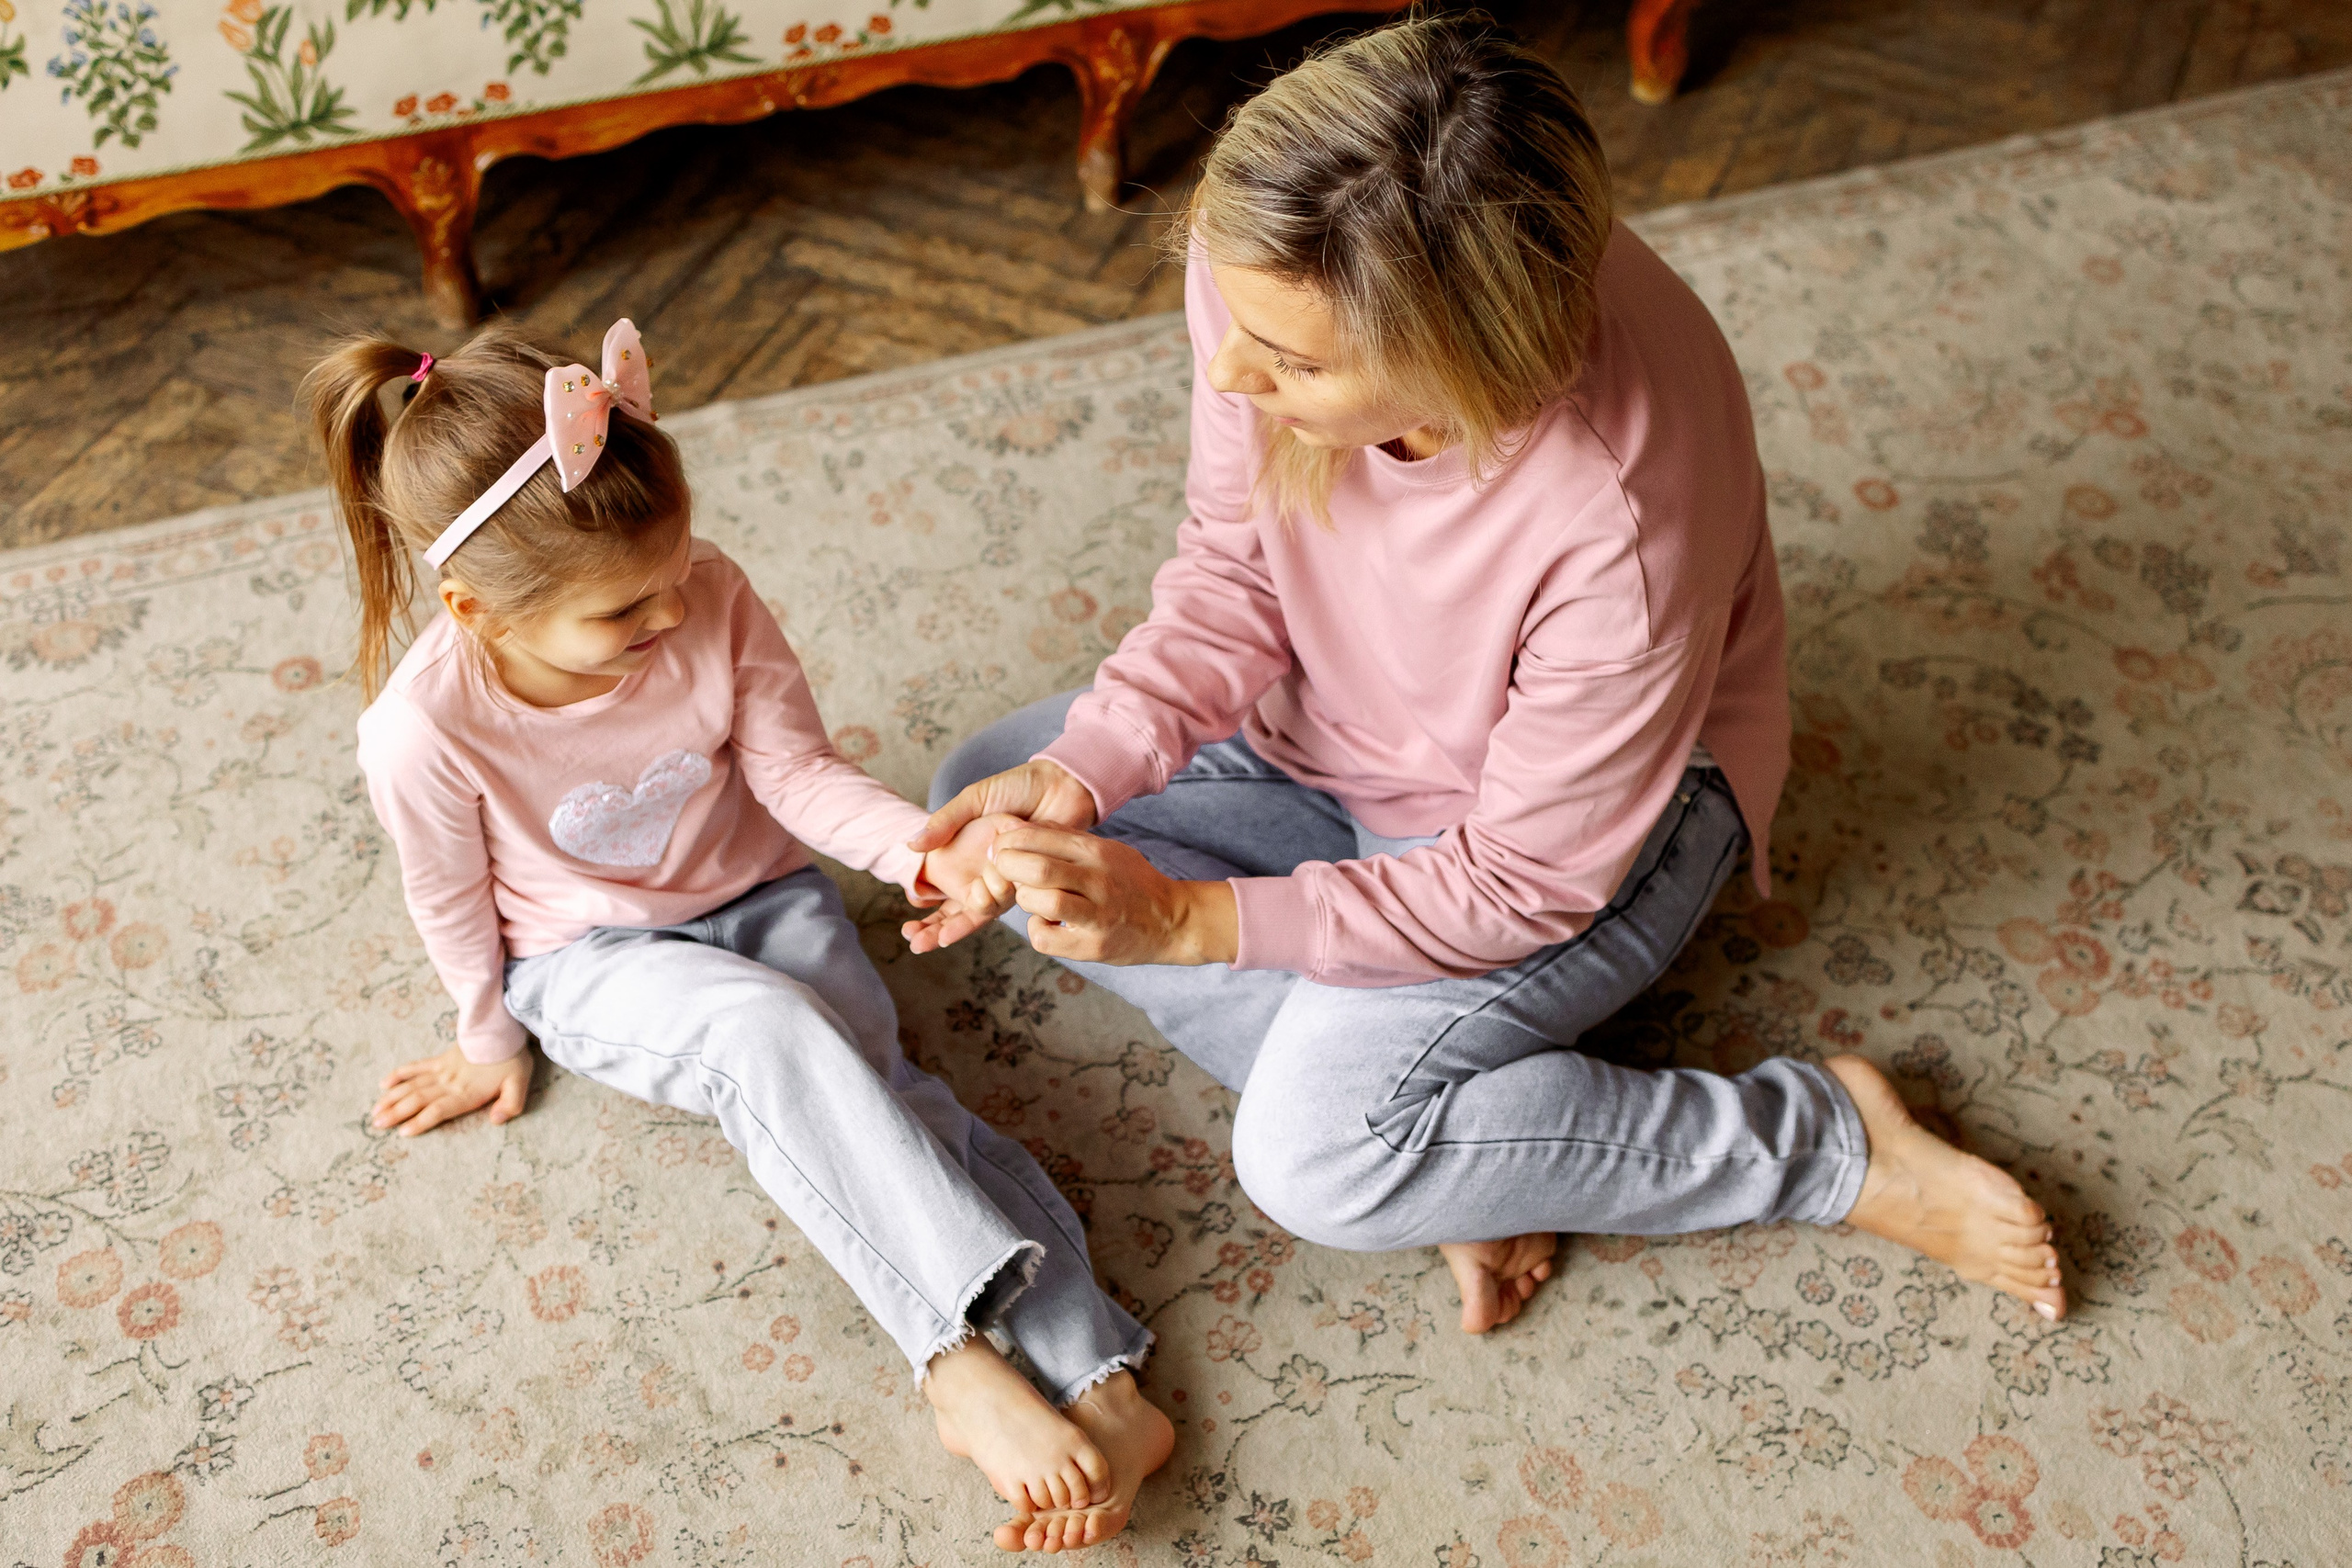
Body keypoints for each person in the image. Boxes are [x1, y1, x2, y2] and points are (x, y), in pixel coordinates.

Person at [913, 14, 2067, 1336]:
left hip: (1571, 842)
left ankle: (1819, 1142)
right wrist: (1081, 767)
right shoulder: (1281, 264)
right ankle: (1474, 1147)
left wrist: (1187, 929)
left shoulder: (1615, 516)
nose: (1231, 372)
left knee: (1317, 1161)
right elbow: (1231, 570)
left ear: (1451, 367)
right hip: (1335, 729)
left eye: (1287, 365)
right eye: (1231, 318)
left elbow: (1517, 879)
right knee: (992, 811)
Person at [306, 320, 1170, 1553]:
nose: (675, 607)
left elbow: (796, 771)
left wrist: (933, 851)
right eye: (624, 613)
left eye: (676, 574)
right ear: (474, 610)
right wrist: (488, 1037)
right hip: (587, 957)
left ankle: (1104, 1385)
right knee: (766, 1032)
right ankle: (952, 1360)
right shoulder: (419, 730)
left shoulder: (704, 588)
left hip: (763, 892)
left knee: (885, 1100)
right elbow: (449, 896)